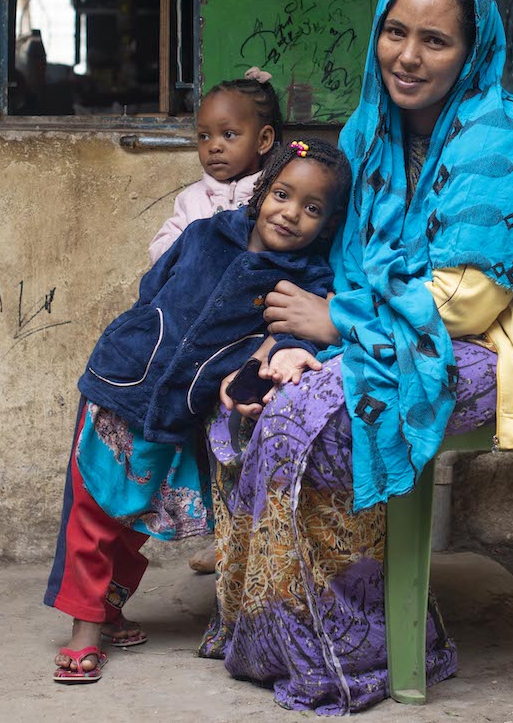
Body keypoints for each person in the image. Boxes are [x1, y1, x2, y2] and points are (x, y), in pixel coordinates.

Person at [199, 0, 513, 713]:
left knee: (322, 419)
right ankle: (275, 627)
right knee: (256, 391)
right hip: (402, 322)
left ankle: (360, 642)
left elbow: (470, 298)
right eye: (396, 32)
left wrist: (337, 324)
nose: (407, 55)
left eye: (435, 41)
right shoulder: (370, 131)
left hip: (511, 340)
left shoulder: (501, 136)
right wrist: (298, 341)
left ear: (473, 51)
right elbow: (344, 257)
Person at [44, 137, 353, 684]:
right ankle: (84, 629)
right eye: (282, 194)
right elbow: (153, 289)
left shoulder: (307, 281)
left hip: (182, 408)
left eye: (312, 208)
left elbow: (288, 340)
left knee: (137, 513)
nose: (291, 213)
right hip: (122, 383)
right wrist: (142, 336)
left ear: (328, 223)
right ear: (262, 191)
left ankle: (109, 607)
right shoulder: (205, 234)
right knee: (93, 508)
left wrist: (262, 367)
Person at [148, 72, 283, 263]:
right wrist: (194, 245)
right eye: (204, 136)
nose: (213, 146)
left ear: (263, 140)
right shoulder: (192, 199)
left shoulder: (276, 196)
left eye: (228, 134)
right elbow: (158, 252)